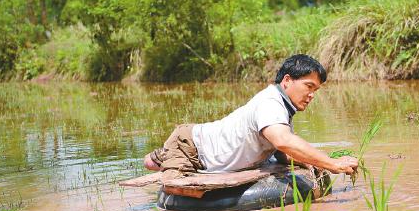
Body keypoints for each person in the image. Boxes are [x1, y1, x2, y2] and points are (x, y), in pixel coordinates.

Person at [143, 54, 359, 183]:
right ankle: (161, 155)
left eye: (316, 90)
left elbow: (284, 154)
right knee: (160, 172)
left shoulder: (283, 108)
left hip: (204, 143)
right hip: (191, 146)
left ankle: (159, 155)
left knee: (152, 161)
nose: (312, 95)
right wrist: (332, 164)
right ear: (287, 81)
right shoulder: (270, 102)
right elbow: (283, 141)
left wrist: (315, 162)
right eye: (309, 87)